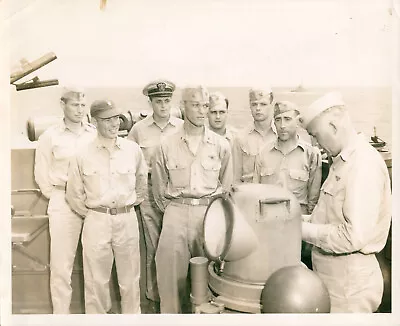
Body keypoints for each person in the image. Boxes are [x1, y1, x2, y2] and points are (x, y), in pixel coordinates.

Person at [299, 92, 392, 312]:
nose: (315, 144)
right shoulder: (342, 161)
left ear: (333, 125)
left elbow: (353, 236)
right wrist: (296, 219)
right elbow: (330, 216)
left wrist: (301, 229)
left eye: (315, 135)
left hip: (349, 289)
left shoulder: (362, 165)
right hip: (336, 281)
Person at [151, 86, 233, 313]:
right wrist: (176, 211)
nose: (201, 111)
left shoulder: (221, 146)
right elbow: (158, 191)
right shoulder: (166, 145)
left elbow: (226, 188)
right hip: (176, 213)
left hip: (209, 216)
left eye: (205, 106)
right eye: (195, 105)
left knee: (209, 279)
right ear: (182, 107)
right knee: (170, 279)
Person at [66, 100, 148, 314]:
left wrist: (124, 208)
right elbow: (74, 195)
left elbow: (141, 186)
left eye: (116, 119)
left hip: (127, 219)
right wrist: (96, 214)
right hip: (96, 221)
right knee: (95, 283)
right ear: (94, 121)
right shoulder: (81, 155)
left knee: (130, 281)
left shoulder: (133, 150)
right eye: (107, 119)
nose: (114, 124)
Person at [34, 87, 97, 314]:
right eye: (74, 105)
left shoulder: (93, 133)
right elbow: (42, 176)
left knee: (95, 264)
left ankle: (95, 316)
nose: (79, 110)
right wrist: (62, 197)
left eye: (82, 105)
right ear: (63, 105)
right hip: (62, 201)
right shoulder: (50, 137)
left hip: (93, 203)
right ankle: (61, 317)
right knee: (62, 266)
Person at [127, 79, 183, 311]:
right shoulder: (138, 130)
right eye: (158, 101)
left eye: (167, 101)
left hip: (176, 193)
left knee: (178, 246)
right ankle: (155, 296)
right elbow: (128, 161)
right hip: (150, 194)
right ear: (150, 103)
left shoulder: (181, 127)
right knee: (155, 246)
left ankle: (180, 294)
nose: (163, 106)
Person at [253, 100, 322, 215]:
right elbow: (256, 194)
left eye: (287, 119)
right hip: (269, 220)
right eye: (278, 120)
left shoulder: (311, 154)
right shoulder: (263, 153)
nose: (282, 125)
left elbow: (313, 201)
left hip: (298, 221)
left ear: (297, 122)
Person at [232, 86, 276, 183]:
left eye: (263, 104)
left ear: (272, 105)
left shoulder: (280, 135)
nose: (258, 108)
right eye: (254, 104)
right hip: (249, 194)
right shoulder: (240, 138)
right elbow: (236, 178)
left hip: (275, 194)